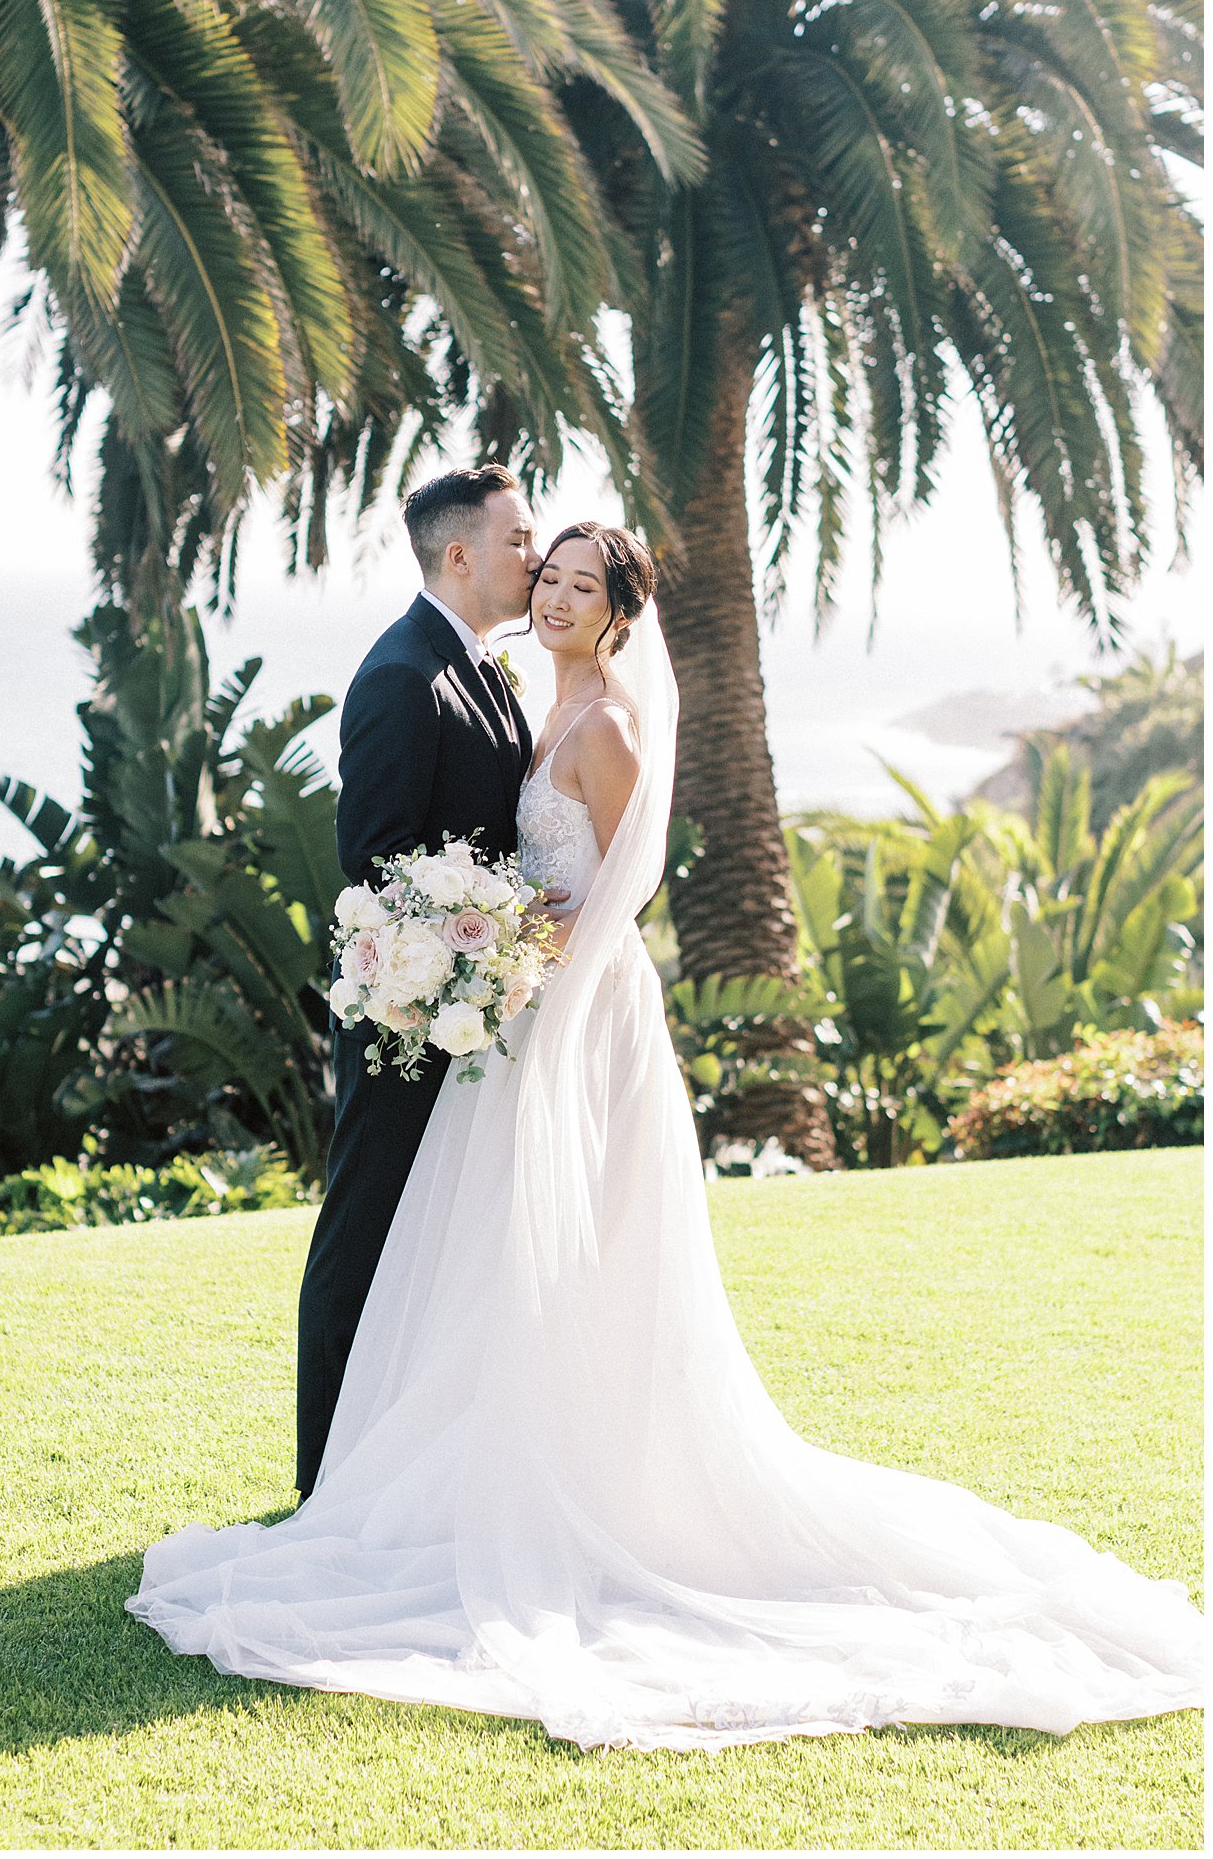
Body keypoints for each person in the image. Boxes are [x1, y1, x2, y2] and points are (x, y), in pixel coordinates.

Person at [128, 523, 1204, 1754]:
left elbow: (622, 882)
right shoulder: (538, 703)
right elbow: (522, 864)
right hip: (523, 1003)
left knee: (578, 1247)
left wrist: (525, 963)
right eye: (546, 579)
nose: (554, 598)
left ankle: (583, 1487)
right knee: (495, 1250)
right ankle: (458, 1467)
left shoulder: (608, 728)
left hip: (581, 1011)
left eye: (580, 587)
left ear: (620, 614)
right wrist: (490, 946)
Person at [294, 462, 549, 1501]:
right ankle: (324, 1476)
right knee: (364, 1231)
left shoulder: (482, 664)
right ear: (460, 553)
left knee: (439, 1245)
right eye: (518, 540)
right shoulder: (404, 673)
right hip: (409, 1010)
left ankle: (405, 1464)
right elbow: (378, 855)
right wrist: (466, 955)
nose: (533, 559)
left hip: (468, 1012)